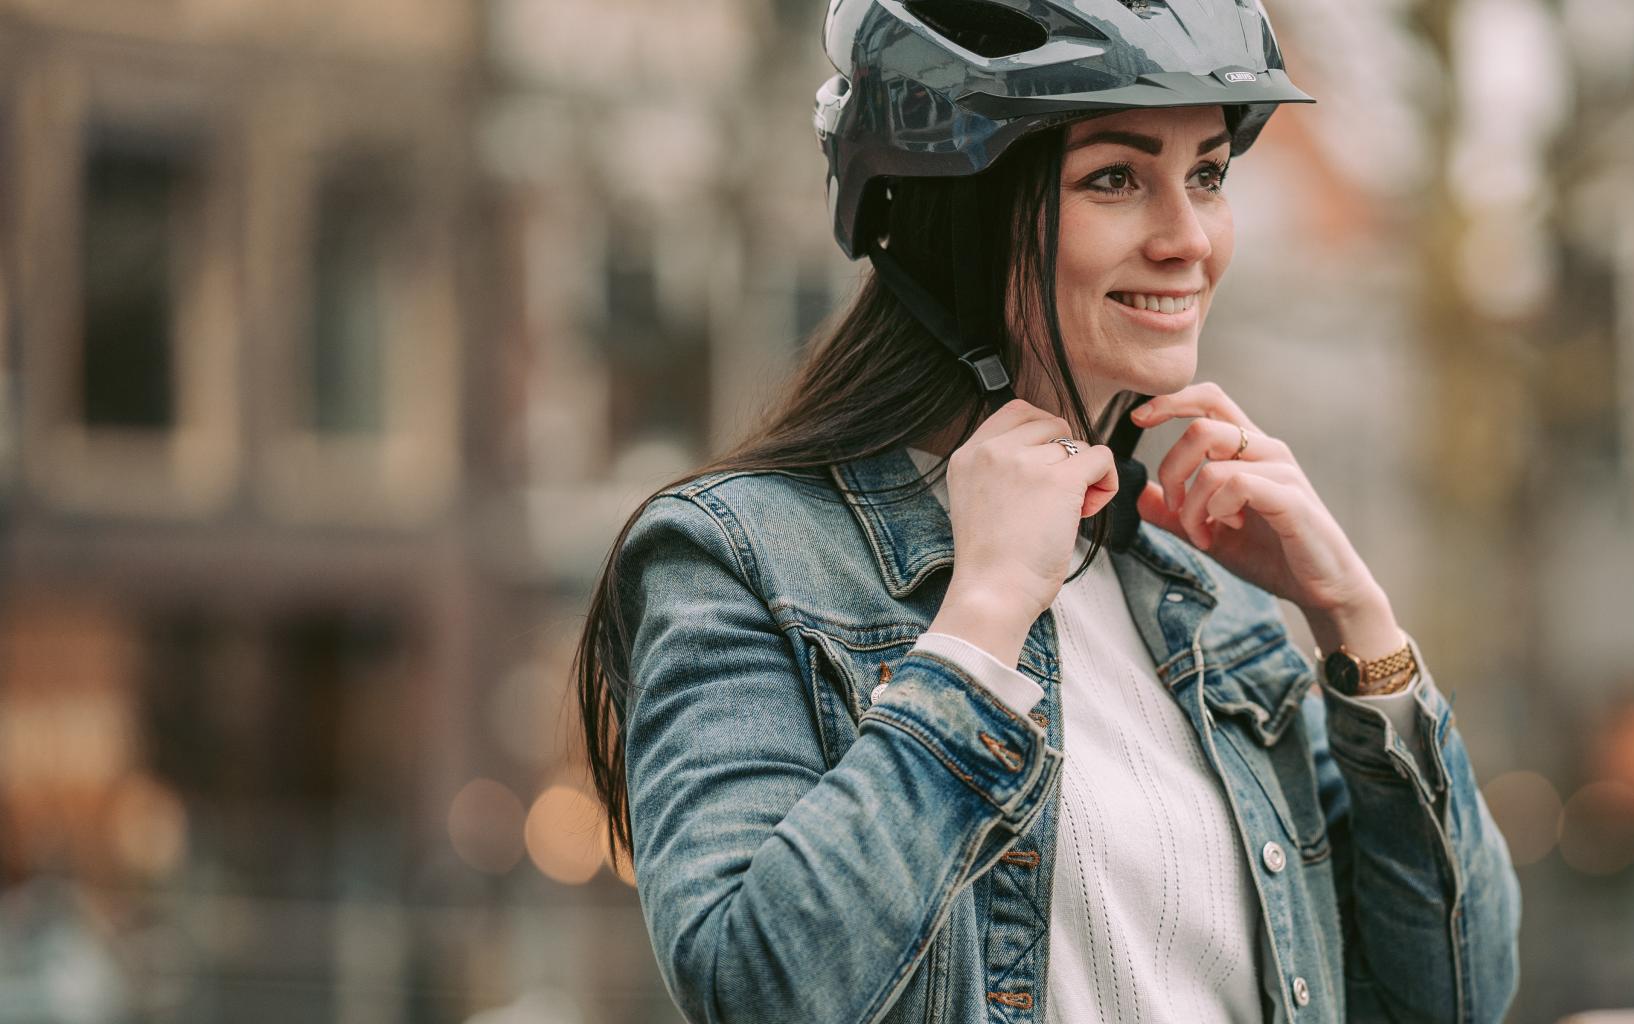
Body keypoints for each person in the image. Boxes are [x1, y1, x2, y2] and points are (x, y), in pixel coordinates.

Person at [567, 1, 1522, 1021]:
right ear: (960, 211)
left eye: (1206, 173)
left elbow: (1454, 995)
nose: (1188, 238)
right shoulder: (739, 560)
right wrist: (978, 626)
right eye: (1115, 178)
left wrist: (1356, 625)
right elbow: (758, 991)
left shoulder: (1208, 601)